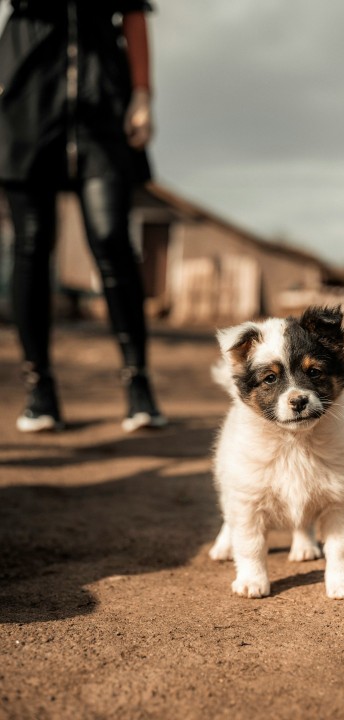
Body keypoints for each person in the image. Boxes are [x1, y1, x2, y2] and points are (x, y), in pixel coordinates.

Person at [0, 0, 167, 433]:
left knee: (112, 237)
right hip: (26, 101)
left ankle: (138, 383)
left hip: (103, 104)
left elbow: (132, 12)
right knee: (31, 244)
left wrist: (143, 93)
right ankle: (40, 389)